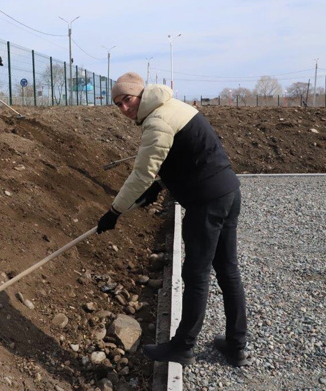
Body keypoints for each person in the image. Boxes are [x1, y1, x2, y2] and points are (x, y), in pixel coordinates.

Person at [97, 72, 250, 367]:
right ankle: (236, 345)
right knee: (228, 270)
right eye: (118, 104)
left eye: (127, 100)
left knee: (196, 275)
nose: (124, 109)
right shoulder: (174, 106)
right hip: (228, 192)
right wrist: (162, 183)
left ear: (140, 95)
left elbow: (141, 173)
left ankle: (183, 346)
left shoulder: (156, 121)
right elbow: (189, 151)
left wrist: (114, 211)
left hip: (206, 202)